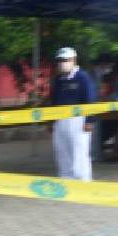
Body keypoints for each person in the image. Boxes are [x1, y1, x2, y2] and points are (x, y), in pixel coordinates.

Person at [49, 46, 97, 181]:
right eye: (60, 60)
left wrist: (90, 120)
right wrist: (51, 121)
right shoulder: (58, 80)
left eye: (65, 60)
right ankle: (66, 178)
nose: (62, 63)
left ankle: (83, 180)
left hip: (78, 120)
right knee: (62, 150)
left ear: (74, 60)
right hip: (60, 119)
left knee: (79, 151)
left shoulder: (83, 77)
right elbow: (53, 100)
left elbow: (90, 98)